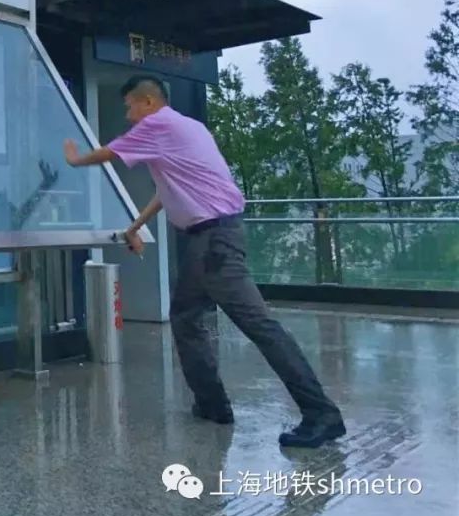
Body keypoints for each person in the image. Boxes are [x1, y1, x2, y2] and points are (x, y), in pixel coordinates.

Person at [63, 75, 346, 448]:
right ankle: (212, 403)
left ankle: (321, 414)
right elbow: (169, 193)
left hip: (214, 242)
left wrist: (75, 158)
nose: (129, 116)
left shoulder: (158, 124)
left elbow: (109, 153)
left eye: (131, 106)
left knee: (259, 326)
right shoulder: (188, 129)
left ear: (148, 102)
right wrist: (134, 227)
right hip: (210, 240)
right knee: (185, 318)